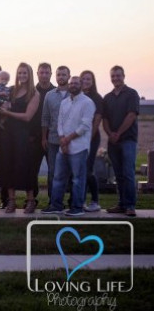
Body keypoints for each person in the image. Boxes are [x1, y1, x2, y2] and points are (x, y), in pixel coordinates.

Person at [42, 76, 95, 216]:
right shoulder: (64, 103)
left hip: (79, 147)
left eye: (76, 83)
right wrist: (62, 140)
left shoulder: (88, 103)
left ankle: (77, 207)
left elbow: (84, 126)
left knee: (77, 179)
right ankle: (56, 205)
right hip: (63, 147)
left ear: (81, 85)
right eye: (71, 83)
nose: (73, 85)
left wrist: (68, 139)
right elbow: (59, 122)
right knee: (58, 177)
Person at [0, 63, 40, 214]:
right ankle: (11, 201)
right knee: (8, 166)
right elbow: (5, 105)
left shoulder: (34, 93)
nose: (22, 76)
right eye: (19, 73)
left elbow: (28, 117)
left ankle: (30, 201)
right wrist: (2, 114)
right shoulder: (12, 90)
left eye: (24, 73)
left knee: (26, 168)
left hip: (23, 134)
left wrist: (7, 114)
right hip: (8, 134)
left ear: (30, 75)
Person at [102, 66, 139, 217]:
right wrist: (111, 134)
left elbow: (131, 115)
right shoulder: (107, 97)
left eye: (118, 75)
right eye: (113, 76)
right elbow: (104, 119)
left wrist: (118, 133)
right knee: (118, 175)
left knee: (128, 173)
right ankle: (121, 204)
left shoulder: (131, 94)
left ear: (124, 76)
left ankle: (130, 206)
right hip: (113, 142)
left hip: (128, 140)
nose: (115, 78)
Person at [41, 66, 70, 205]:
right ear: (55, 76)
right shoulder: (50, 95)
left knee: (70, 172)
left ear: (68, 76)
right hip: (53, 140)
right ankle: (53, 201)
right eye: (59, 75)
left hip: (71, 141)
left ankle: (71, 201)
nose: (61, 77)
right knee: (53, 172)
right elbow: (45, 117)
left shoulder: (75, 94)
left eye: (64, 75)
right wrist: (43, 137)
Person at [27, 62, 55, 206]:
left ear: (51, 74)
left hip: (53, 138)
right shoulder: (30, 91)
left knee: (54, 171)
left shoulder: (57, 92)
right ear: (37, 74)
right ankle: (32, 199)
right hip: (33, 138)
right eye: (41, 72)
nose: (44, 75)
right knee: (32, 170)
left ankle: (53, 200)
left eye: (47, 72)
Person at [80, 70, 103, 212]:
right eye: (83, 79)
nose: (86, 81)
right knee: (79, 170)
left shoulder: (97, 97)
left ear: (93, 81)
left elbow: (97, 119)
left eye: (88, 79)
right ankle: (80, 201)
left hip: (91, 138)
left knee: (88, 170)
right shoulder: (77, 96)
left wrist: (88, 138)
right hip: (78, 138)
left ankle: (95, 201)